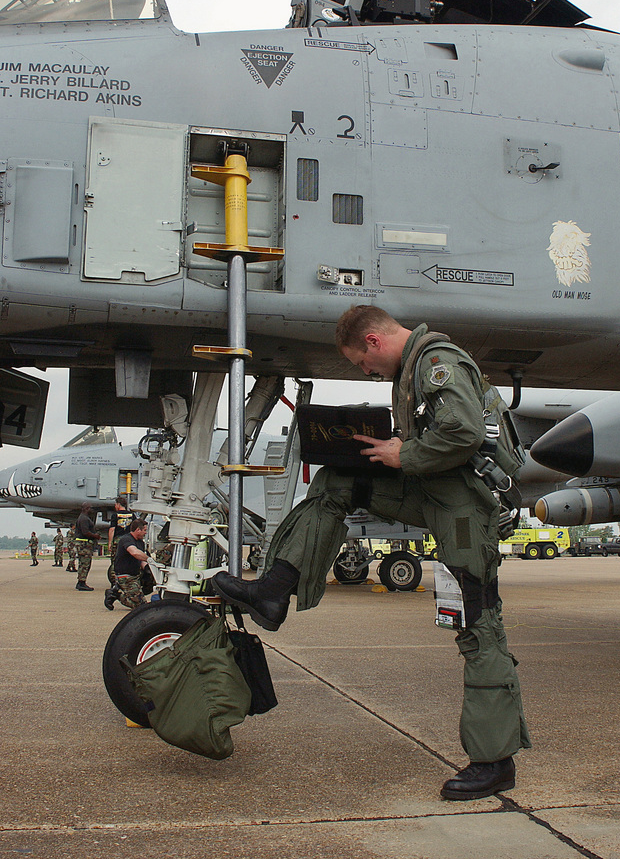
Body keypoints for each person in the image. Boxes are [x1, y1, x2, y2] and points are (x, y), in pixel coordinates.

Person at [214, 305, 531, 800]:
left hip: (467, 510)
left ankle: (495, 761)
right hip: (437, 493)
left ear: (374, 342)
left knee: (479, 627)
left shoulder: (435, 362)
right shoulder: (412, 372)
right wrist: (388, 444)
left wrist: (402, 453)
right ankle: (273, 591)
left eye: (362, 363)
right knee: (335, 482)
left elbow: (465, 432)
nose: (365, 371)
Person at [104, 518, 149, 610]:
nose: (145, 533)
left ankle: (134, 593)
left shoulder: (141, 542)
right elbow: (135, 553)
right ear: (138, 530)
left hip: (135, 575)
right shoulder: (126, 539)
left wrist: (149, 568)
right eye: (144, 530)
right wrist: (150, 559)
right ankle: (116, 595)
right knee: (141, 607)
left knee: (150, 580)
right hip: (125, 576)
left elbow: (141, 560)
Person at [74, 503, 100, 591]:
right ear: (86, 508)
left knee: (83, 563)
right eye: (91, 508)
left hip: (83, 544)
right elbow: (85, 532)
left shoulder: (83, 517)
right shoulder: (84, 519)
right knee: (85, 564)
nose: (92, 510)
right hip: (84, 544)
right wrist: (95, 536)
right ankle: (82, 582)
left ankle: (80, 582)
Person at [107, 496, 135, 576]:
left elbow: (112, 529)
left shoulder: (115, 515)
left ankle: (115, 582)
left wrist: (110, 543)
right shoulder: (132, 515)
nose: (115, 506)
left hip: (118, 541)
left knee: (115, 561)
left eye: (116, 504)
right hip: (129, 541)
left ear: (118, 504)